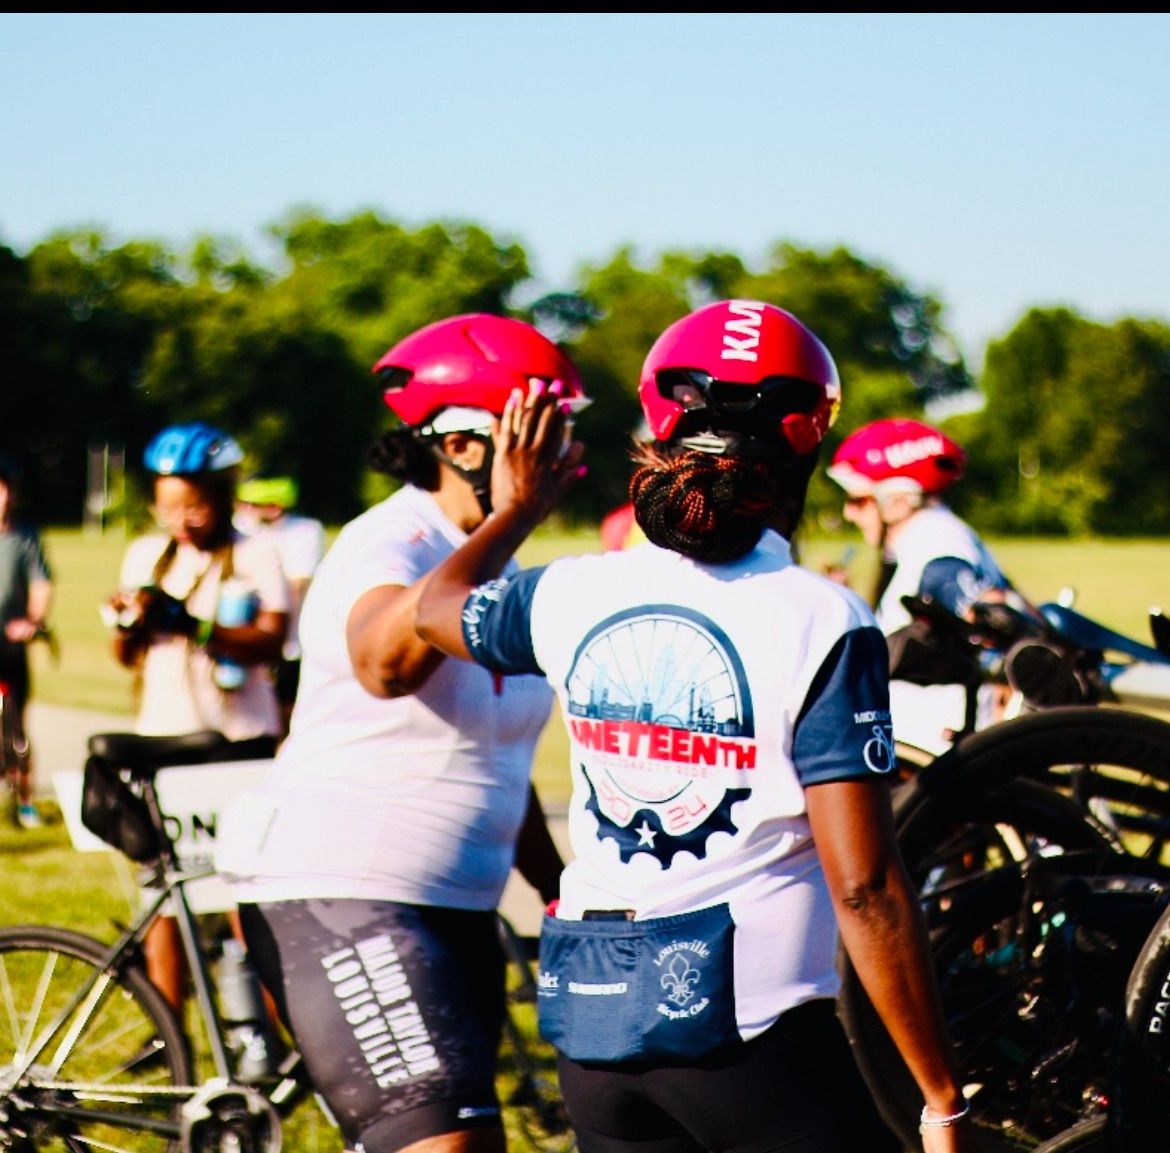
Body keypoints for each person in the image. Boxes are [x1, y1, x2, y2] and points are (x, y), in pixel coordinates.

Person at [414, 299, 972, 1153]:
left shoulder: (570, 591)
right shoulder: (825, 616)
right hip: (757, 1036)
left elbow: (435, 608)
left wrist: (512, 511)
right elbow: (864, 886)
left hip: (594, 1028)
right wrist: (940, 1094)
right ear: (806, 435)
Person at [214, 313, 592, 1153]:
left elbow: (497, 754)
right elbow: (387, 660)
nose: (567, 448)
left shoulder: (497, 560)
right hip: (345, 889)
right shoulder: (390, 540)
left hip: (457, 906)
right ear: (463, 443)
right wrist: (515, 517)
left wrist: (561, 889)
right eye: (544, 424)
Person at [102, 422, 289, 1011]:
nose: (181, 521)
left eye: (195, 507)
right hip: (166, 737)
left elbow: (272, 641)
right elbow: (125, 656)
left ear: (223, 495)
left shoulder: (257, 553)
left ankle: (271, 1027)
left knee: (245, 891)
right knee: (162, 890)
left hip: (239, 738)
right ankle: (167, 1025)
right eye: (168, 508)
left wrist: (196, 626)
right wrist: (132, 624)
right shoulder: (145, 556)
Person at [826, 417, 1038, 747]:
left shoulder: (936, 542)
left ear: (898, 498)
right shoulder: (929, 537)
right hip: (921, 746)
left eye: (859, 500)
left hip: (934, 752)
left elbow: (983, 606)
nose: (850, 513)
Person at [234, 473, 326, 735]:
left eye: (250, 504)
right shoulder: (243, 528)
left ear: (274, 508)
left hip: (290, 646)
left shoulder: (305, 532)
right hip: (248, 638)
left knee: (287, 718)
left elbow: (296, 587)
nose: (242, 510)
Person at [0, 454, 54, 830]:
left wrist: (33, 621)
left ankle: (25, 802)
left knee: (15, 725)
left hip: (8, 646)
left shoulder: (24, 537)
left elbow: (40, 584)